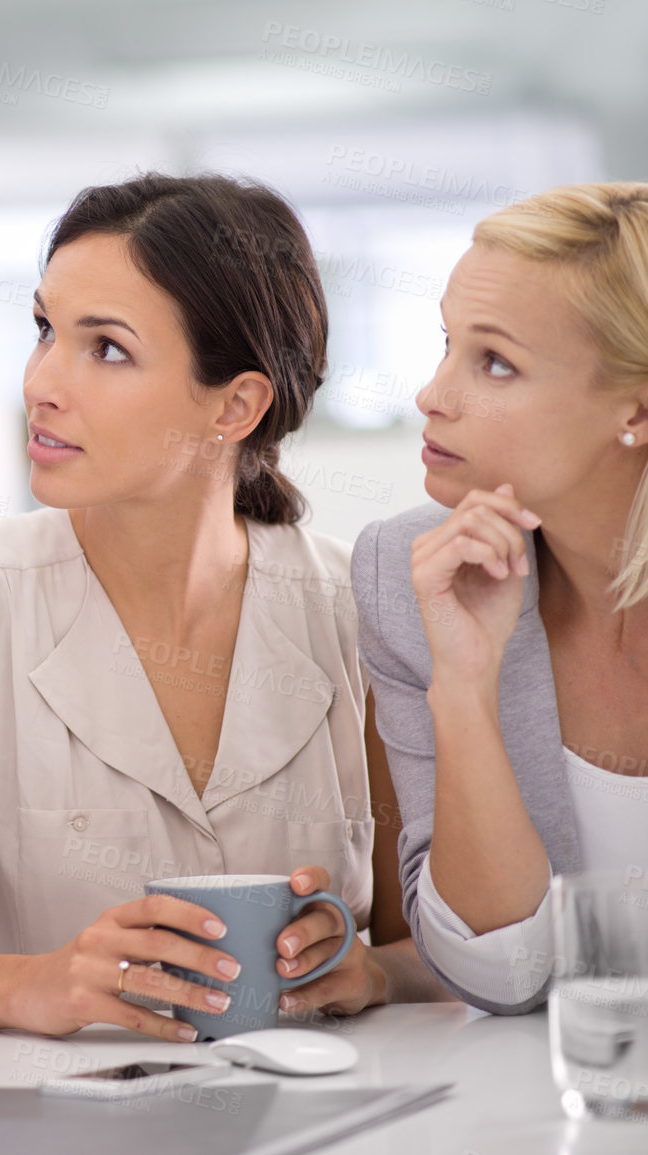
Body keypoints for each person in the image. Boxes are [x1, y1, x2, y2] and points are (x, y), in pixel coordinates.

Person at [0, 174, 450, 1042]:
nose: (40, 383)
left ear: (235, 404)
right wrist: (24, 985)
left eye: (104, 349)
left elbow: (434, 954)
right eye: (43, 331)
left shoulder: (353, 611)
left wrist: (367, 972)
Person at [352, 183, 648, 1013]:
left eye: (493, 362)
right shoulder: (409, 573)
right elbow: (499, 979)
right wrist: (464, 685)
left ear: (636, 406)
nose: (432, 395)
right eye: (447, 344)